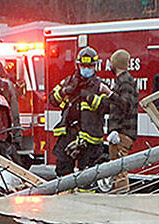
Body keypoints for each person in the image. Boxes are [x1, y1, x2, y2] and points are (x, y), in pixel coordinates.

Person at [48, 46, 111, 177]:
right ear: (78, 65)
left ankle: (85, 197)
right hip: (68, 134)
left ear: (95, 66)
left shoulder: (100, 86)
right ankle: (65, 197)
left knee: (88, 176)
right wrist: (65, 91)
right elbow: (52, 99)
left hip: (90, 138)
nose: (86, 69)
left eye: (89, 66)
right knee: (63, 173)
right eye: (83, 65)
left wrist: (89, 97)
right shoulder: (69, 81)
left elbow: (108, 107)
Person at [104, 49, 139, 192]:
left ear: (115, 64)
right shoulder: (124, 81)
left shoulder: (125, 82)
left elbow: (124, 105)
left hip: (122, 134)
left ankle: (121, 199)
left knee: (119, 170)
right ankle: (117, 195)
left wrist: (109, 93)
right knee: (117, 169)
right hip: (121, 133)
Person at [0, 58, 27, 168]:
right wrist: (17, 136)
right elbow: (14, 112)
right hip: (3, 133)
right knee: (8, 165)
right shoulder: (8, 86)